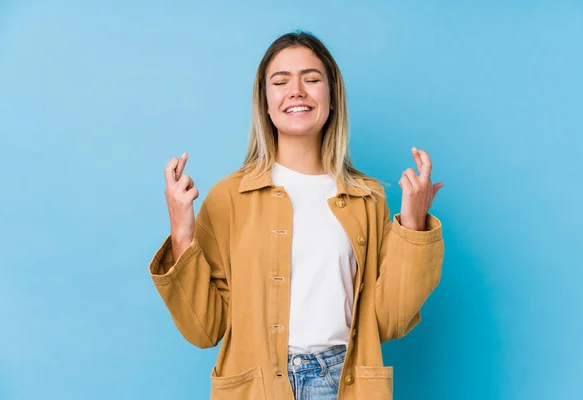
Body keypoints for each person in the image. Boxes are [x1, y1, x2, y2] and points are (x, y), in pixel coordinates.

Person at [148, 30, 444, 400]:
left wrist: (414, 225)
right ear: (266, 103)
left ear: (332, 98)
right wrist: (181, 232)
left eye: (312, 79)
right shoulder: (228, 198)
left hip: (342, 383)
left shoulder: (367, 198)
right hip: (256, 386)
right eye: (281, 81)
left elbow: (388, 321)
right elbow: (203, 329)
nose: (297, 90)